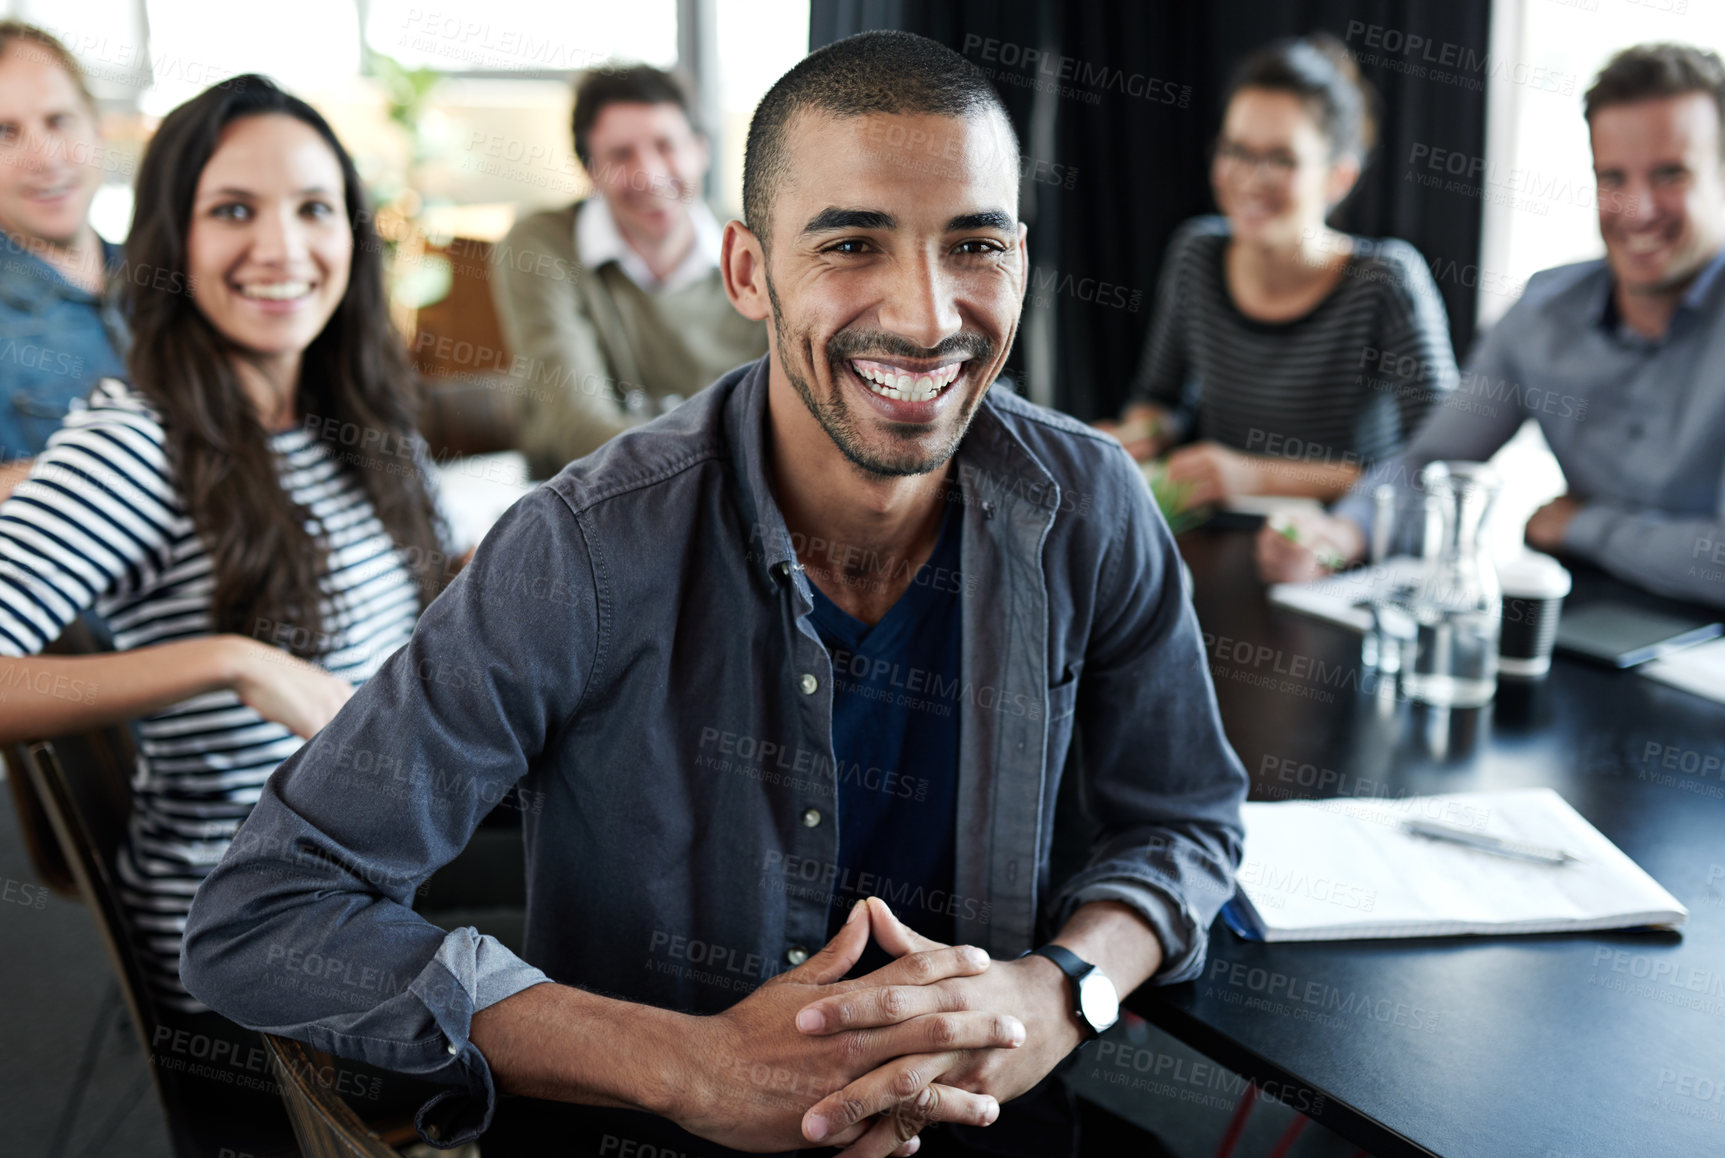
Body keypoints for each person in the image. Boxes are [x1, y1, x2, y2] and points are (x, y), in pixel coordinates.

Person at [181, 30, 1248, 1158]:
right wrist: (687, 1066)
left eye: (974, 245)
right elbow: (264, 915)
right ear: (747, 270)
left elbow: (1183, 823)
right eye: (852, 244)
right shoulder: (579, 550)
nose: (929, 314)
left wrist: (1064, 989)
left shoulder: (1089, 504)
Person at [0, 74, 460, 1020]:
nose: (282, 247)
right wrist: (228, 661)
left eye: (314, 209)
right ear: (175, 239)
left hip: (391, 858)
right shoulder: (134, 441)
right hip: (261, 933)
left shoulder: (357, 412)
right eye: (234, 211)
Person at [1259, 43, 1725, 611]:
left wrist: (1583, 524)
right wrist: (1341, 534)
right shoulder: (1544, 312)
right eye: (1613, 178)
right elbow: (1426, 468)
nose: (1639, 209)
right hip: (1581, 623)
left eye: (1670, 175)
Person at [1097, 34, 1457, 511]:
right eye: (1236, 151)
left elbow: (1438, 466)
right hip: (1220, 535)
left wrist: (1252, 475)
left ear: (1339, 178)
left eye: (1281, 159)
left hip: (1340, 547)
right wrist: (1141, 434)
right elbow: (1161, 398)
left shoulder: (1387, 281)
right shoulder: (1196, 254)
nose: (1249, 178)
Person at [491, 63, 767, 478]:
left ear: (700, 151)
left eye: (666, 145)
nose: (650, 175)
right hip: (587, 503)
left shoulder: (761, 247)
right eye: (621, 155)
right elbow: (579, 429)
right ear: (590, 172)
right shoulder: (542, 246)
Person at [0, 21, 128, 481]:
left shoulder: (176, 280)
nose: (44, 156)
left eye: (58, 120)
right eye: (5, 133)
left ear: (97, 128)